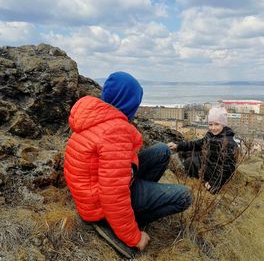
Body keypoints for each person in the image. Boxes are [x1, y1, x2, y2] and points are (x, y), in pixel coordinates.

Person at [63, 71, 192, 258]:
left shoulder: (94, 116)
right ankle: (130, 221)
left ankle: (141, 199)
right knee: (184, 197)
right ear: (128, 103)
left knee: (162, 151)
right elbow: (113, 193)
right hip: (101, 208)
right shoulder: (115, 131)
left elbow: (113, 173)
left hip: (92, 192)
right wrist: (134, 237)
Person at [168, 106, 238, 194]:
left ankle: (195, 180)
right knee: (186, 153)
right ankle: (188, 171)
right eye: (210, 124)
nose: (213, 128)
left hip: (215, 172)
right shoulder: (211, 135)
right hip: (209, 162)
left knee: (190, 162)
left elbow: (228, 168)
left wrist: (213, 183)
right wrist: (178, 146)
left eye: (217, 124)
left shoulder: (228, 143)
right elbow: (197, 144)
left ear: (223, 124)